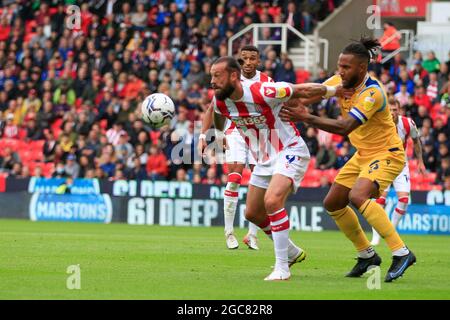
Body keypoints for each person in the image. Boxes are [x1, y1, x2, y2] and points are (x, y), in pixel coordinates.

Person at [280, 37, 416, 282]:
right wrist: (283, 98)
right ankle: (367, 255)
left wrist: (307, 118)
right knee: (333, 203)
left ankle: (401, 252)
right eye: (339, 66)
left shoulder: (372, 93)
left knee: (357, 196)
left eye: (346, 67)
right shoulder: (339, 82)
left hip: (387, 153)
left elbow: (344, 127)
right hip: (362, 154)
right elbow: (311, 94)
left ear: (362, 68)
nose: (340, 72)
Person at [207, 56, 349, 280]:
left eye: (217, 76)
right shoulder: (220, 100)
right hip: (263, 160)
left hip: (289, 149)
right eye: (211, 76)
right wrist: (219, 134)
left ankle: (282, 268)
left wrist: (335, 90)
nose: (212, 81)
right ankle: (291, 251)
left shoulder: (263, 91)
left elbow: (301, 90)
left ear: (234, 76)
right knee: (252, 213)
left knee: (272, 201)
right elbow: (216, 114)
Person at [199, 45, 274, 250]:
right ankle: (229, 232)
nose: (248, 62)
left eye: (252, 59)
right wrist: (204, 135)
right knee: (234, 179)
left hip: (260, 135)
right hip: (235, 131)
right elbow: (213, 107)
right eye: (244, 59)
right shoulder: (231, 80)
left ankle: (252, 234)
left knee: (260, 183)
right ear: (238, 62)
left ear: (258, 61)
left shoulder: (267, 82)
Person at [371, 98, 425, 245]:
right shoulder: (379, 124)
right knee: (380, 200)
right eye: (390, 110)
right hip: (383, 164)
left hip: (401, 164)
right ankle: (375, 237)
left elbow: (416, 141)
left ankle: (390, 232)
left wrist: (420, 161)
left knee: (404, 200)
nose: (392, 113)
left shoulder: (408, 123)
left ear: (399, 110)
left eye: (395, 110)